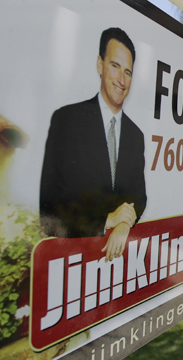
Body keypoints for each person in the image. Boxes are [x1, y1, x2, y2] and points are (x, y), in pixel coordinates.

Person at [40, 27, 147, 261]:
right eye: (115, 66)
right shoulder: (67, 121)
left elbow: (138, 198)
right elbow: (49, 212)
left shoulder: (136, 136)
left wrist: (124, 225)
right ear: (100, 65)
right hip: (70, 266)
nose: (121, 79)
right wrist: (109, 220)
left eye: (128, 72)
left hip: (117, 276)